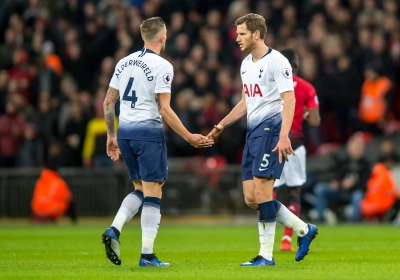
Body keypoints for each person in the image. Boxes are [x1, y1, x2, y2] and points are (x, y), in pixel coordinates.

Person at [101, 17, 214, 267]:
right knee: (154, 192)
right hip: (148, 134)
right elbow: (164, 109)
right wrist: (188, 136)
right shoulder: (163, 66)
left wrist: (111, 135)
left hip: (125, 133)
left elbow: (108, 102)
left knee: (140, 189)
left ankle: (115, 228)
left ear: (144, 36)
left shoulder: (123, 62)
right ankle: (147, 255)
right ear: (163, 36)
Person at [208, 14, 318, 267]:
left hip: (271, 131)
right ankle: (304, 229)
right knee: (251, 198)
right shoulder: (246, 64)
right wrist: (223, 123)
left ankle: (266, 256)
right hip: (253, 132)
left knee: (262, 192)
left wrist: (282, 136)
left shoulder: (278, 61)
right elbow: (247, 102)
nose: (237, 38)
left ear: (257, 34)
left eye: (242, 34)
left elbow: (288, 99)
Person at [273, 49, 320, 252]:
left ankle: (265, 240)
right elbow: (315, 121)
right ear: (297, 65)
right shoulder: (307, 88)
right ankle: (286, 240)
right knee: (294, 191)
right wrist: (308, 113)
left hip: (272, 142)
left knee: (268, 191)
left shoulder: (271, 85)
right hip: (295, 144)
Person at [314, 133, 371, 222]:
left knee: (357, 196)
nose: (356, 149)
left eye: (358, 147)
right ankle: (320, 219)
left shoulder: (366, 164)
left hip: (355, 192)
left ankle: (353, 222)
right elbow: (337, 176)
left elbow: (366, 183)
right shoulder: (344, 162)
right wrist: (337, 182)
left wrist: (353, 184)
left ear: (362, 149)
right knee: (320, 188)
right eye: (354, 147)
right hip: (341, 190)